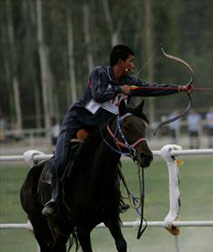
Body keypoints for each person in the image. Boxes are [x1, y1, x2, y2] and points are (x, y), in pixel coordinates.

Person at [42, 44, 192, 217]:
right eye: (131, 61)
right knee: (60, 160)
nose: (133, 65)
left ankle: (114, 198)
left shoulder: (128, 80)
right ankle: (54, 200)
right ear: (120, 62)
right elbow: (97, 95)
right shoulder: (99, 73)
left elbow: (152, 88)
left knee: (111, 159)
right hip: (77, 121)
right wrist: (120, 89)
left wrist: (179, 88)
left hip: (99, 127)